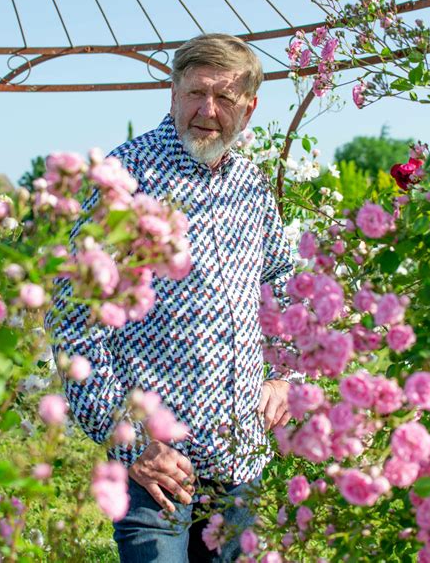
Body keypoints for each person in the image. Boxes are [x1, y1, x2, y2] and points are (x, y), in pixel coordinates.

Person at [46, 34, 295, 562]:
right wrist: (131, 439)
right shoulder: (125, 178)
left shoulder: (251, 187)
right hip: (157, 469)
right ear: (172, 93)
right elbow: (73, 319)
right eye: (195, 93)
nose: (208, 111)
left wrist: (283, 375)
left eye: (224, 97)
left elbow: (283, 285)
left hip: (239, 459)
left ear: (250, 107)